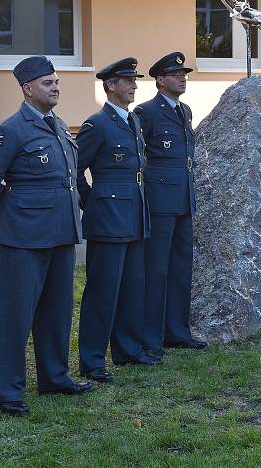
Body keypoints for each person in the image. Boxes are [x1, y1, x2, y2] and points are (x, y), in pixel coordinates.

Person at [0, 55, 92, 417]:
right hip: (23, 238)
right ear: (27, 88)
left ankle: (55, 376)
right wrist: (15, 209)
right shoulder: (10, 131)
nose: (55, 87)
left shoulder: (57, 127)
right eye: (47, 83)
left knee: (57, 311)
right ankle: (9, 391)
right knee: (14, 315)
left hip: (60, 234)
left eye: (56, 81)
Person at [76, 57, 159, 380]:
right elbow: (75, 168)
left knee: (131, 287)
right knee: (103, 291)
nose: (135, 85)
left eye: (134, 80)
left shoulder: (132, 121)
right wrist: (92, 201)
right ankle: (92, 360)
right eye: (128, 80)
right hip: (108, 218)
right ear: (111, 85)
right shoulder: (97, 124)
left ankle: (127, 350)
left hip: (135, 215)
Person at [135, 52, 207, 356]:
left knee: (181, 268)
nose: (182, 78)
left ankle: (177, 331)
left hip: (183, 199)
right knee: (156, 271)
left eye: (185, 74)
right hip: (160, 200)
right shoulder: (146, 112)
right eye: (176, 74)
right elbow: (139, 155)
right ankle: (151, 338)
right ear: (160, 80)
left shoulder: (184, 111)